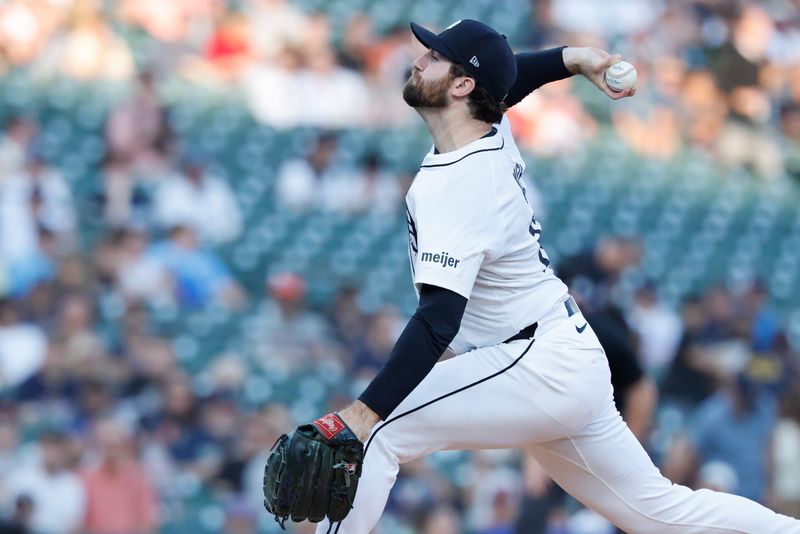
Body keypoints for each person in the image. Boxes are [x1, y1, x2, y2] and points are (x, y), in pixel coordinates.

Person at [304, 19, 800, 534]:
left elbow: (437, 322)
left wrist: (362, 413)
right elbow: (509, 79)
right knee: (660, 514)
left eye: (434, 57)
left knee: (377, 432)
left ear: (461, 86)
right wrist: (573, 57)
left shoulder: (458, 185)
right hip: (563, 355)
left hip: (534, 364)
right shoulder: (486, 125)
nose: (418, 60)